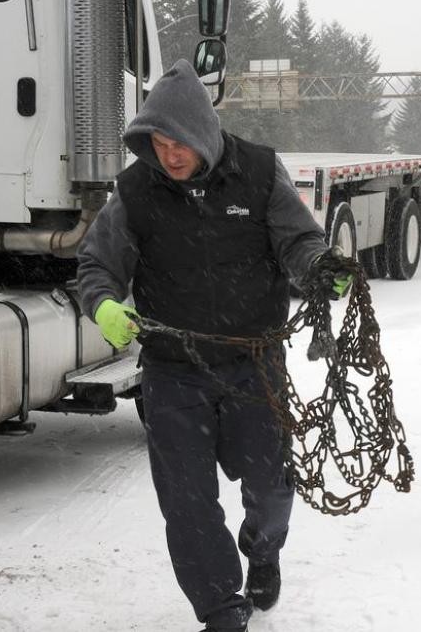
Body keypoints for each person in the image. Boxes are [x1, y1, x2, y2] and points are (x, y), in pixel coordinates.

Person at [77, 59, 347, 632]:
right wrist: (102, 304)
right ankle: (221, 608)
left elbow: (298, 240)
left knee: (272, 488)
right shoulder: (134, 191)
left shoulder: (258, 172)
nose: (169, 154)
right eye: (157, 142)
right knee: (187, 504)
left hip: (254, 362)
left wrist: (321, 266)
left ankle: (263, 548)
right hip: (174, 371)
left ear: (204, 132)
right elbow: (97, 263)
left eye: (179, 142)